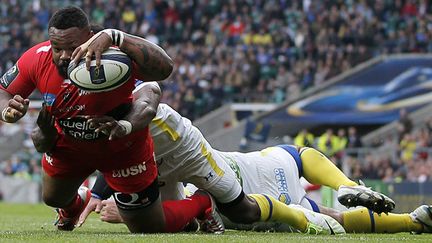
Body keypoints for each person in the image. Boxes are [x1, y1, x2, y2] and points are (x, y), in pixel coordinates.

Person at [0, 6, 222, 234]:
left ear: (89, 38)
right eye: (58, 48)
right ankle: (73, 208)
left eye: (72, 48)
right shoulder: (38, 58)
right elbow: (2, 91)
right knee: (53, 197)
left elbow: (164, 70)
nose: (64, 56)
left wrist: (117, 36)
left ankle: (201, 202)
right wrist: (7, 110)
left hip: (122, 148)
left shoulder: (116, 59)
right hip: (71, 145)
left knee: (148, 227)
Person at [73, 82, 400, 234]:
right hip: (257, 167)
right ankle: (361, 194)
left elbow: (135, 173)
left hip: (252, 206)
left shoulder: (166, 184)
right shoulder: (151, 123)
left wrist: (124, 211)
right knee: (296, 155)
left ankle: (406, 221)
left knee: (327, 217)